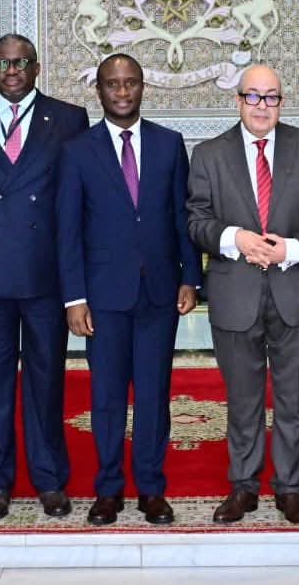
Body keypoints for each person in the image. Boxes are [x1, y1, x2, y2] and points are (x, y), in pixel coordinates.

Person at [187, 65, 299, 525]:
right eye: (252, 96)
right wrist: (235, 238)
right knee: (243, 400)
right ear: (238, 101)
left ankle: (290, 489)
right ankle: (243, 485)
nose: (261, 106)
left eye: (271, 97)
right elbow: (196, 220)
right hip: (236, 294)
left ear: (281, 102)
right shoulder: (209, 154)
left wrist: (290, 249)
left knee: (294, 399)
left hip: (296, 290)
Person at [57, 53, 201, 526]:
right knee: (106, 396)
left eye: (130, 82)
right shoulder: (78, 151)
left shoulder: (168, 143)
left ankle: (151, 488)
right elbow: (68, 230)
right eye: (112, 84)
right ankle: (108, 489)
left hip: (159, 292)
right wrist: (74, 297)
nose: (122, 91)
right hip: (103, 296)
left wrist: (190, 276)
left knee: (154, 394)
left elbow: (181, 216)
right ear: (98, 90)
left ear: (143, 87)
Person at [0, 34, 88, 519]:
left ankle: (49, 479)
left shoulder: (68, 119)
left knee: (45, 382)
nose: (12, 71)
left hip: (44, 272)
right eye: (2, 63)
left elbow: (75, 198)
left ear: (36, 68)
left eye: (21, 62)